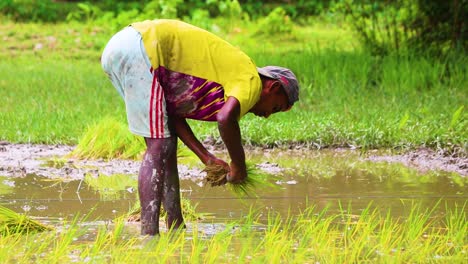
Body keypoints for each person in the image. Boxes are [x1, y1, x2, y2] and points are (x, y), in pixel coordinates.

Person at [101, 19, 299, 235]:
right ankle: (149, 237)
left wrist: (207, 158)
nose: (267, 115)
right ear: (273, 86)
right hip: (141, 48)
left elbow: (172, 117)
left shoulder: (234, 74)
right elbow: (226, 119)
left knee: (165, 142)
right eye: (276, 107)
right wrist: (238, 165)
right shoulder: (252, 80)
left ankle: (175, 227)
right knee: (158, 146)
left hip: (121, 47)